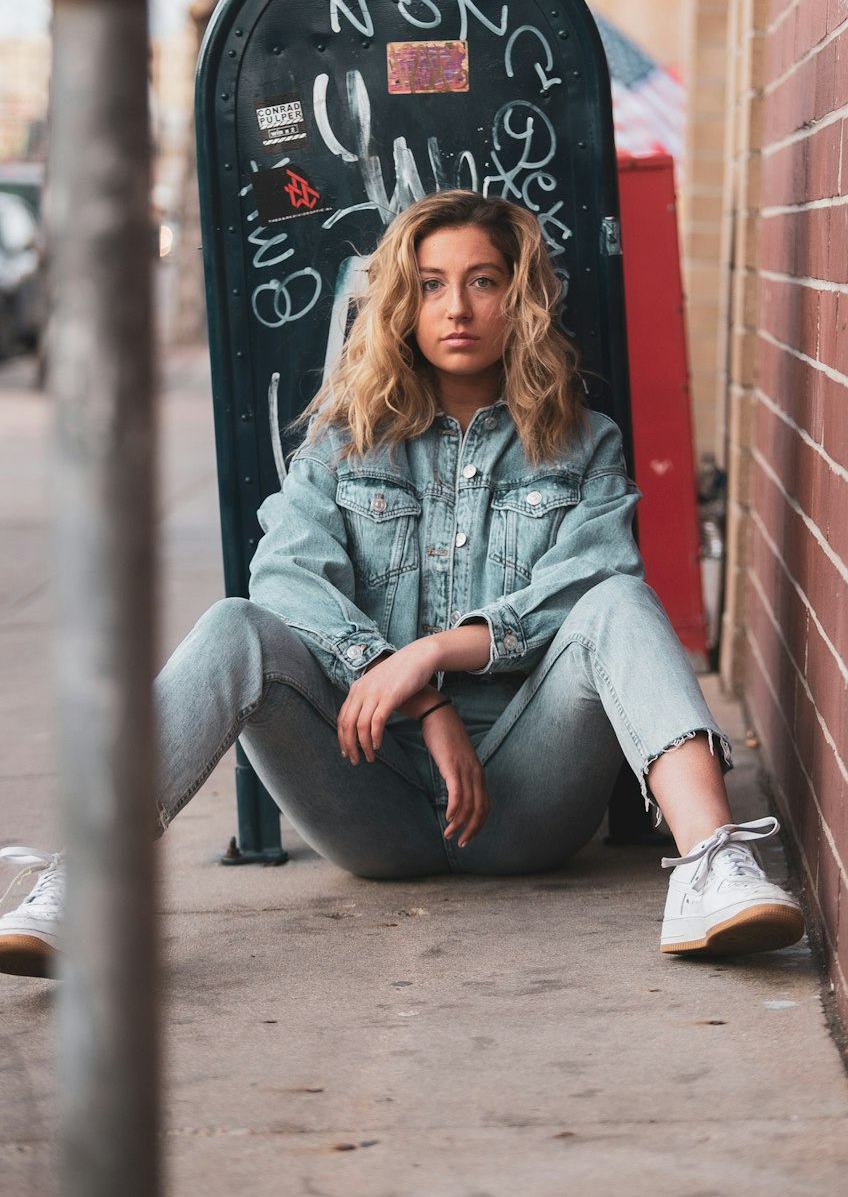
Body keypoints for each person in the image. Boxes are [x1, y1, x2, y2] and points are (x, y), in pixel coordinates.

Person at [0, 190, 803, 978]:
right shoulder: (345, 443)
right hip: (367, 796)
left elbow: (594, 574)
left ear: (517, 299)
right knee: (236, 622)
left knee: (620, 601)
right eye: (430, 284)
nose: (457, 306)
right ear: (401, 305)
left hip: (527, 793)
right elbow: (285, 576)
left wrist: (437, 654)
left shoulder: (582, 443)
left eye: (483, 281)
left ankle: (713, 866)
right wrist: (419, 695)